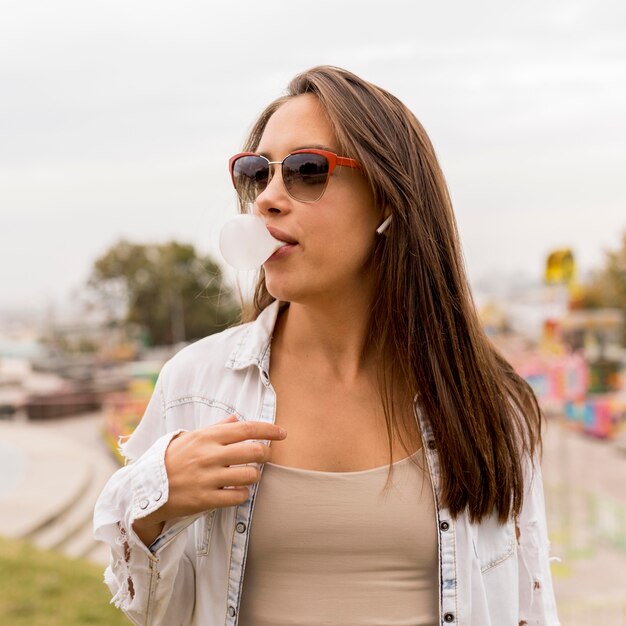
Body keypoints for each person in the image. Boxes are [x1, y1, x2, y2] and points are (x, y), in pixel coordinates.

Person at [93, 65, 561, 626]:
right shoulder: (195, 383)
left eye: (306, 171)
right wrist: (155, 501)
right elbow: (149, 607)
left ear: (388, 199)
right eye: (255, 174)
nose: (268, 198)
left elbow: (529, 605)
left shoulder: (490, 404)